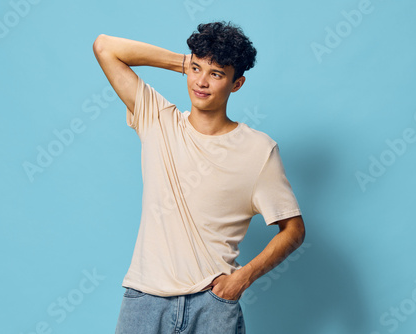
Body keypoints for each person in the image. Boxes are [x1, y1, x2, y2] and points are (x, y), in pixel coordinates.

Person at [93, 21, 305, 334]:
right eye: (196, 69)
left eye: (216, 73)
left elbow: (294, 230)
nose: (201, 82)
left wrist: (241, 279)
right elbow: (104, 47)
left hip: (213, 303)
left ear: (237, 84)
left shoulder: (259, 151)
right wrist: (187, 62)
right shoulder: (158, 120)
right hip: (145, 299)